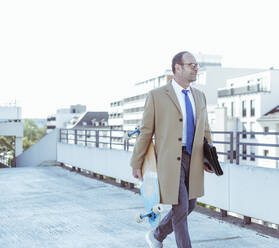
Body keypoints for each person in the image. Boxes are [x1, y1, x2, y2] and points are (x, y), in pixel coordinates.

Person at [130, 51, 213, 248]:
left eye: (196, 65)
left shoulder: (200, 96)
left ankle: (157, 235)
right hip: (169, 161)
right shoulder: (157, 96)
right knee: (181, 208)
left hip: (194, 159)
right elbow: (146, 131)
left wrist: (209, 158)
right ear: (177, 68)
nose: (196, 68)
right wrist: (137, 162)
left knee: (190, 204)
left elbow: (205, 129)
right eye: (191, 65)